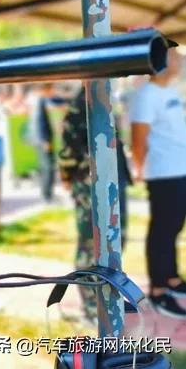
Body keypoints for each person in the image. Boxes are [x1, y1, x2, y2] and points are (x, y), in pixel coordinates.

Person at [59, 87, 131, 323]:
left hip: (112, 180)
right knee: (91, 243)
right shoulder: (82, 103)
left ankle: (107, 299)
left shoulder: (105, 98)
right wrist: (71, 177)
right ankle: (91, 306)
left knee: (116, 240)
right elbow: (67, 149)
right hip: (89, 184)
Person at [130, 47, 186, 319]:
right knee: (162, 230)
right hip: (163, 173)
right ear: (162, 62)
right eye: (174, 56)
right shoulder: (146, 95)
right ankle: (158, 289)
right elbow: (139, 136)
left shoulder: (171, 92)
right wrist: (139, 168)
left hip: (180, 170)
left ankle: (172, 279)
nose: (179, 60)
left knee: (174, 226)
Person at [27, 83, 57, 202]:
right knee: (47, 167)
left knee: (46, 166)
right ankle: (46, 195)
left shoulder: (38, 100)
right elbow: (39, 122)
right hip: (43, 140)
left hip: (41, 139)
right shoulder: (39, 101)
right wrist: (44, 140)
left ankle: (47, 194)